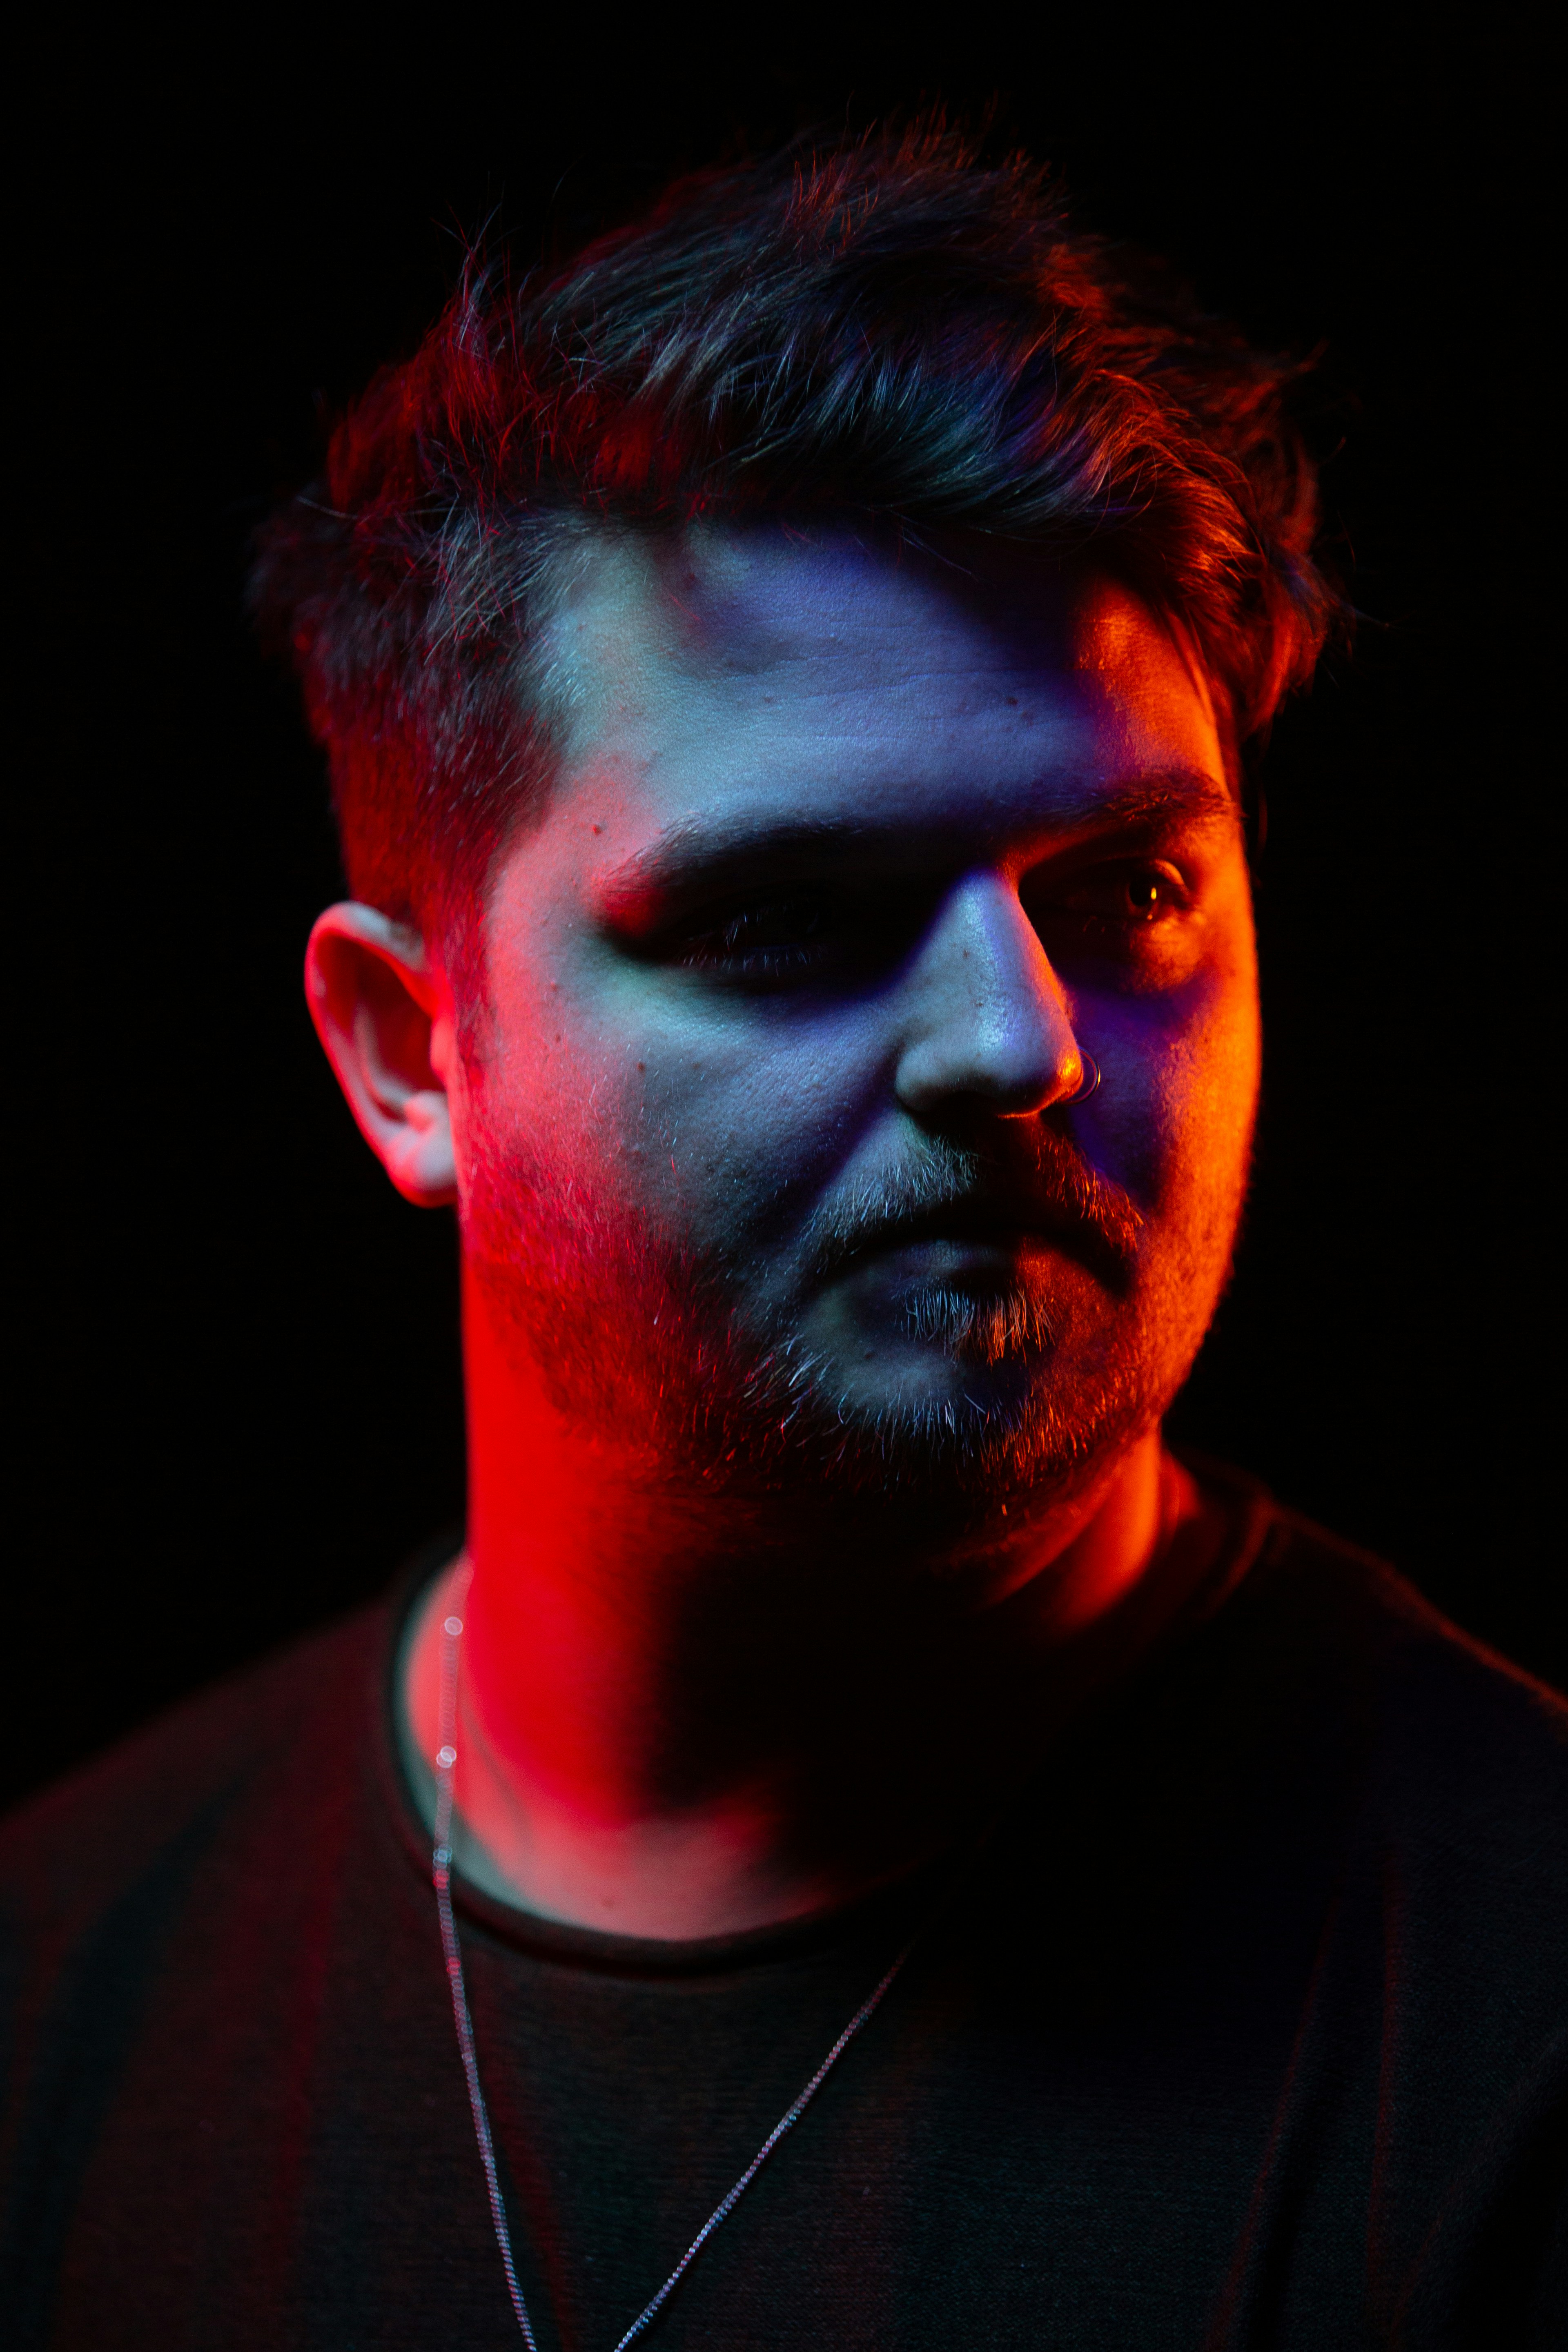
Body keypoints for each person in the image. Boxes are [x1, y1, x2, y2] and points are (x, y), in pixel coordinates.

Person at [2, 123, 1563, 2351]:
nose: (1016, 1040)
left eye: (1127, 889)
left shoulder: (1514, 2027)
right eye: (786, 916)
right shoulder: (63, 1998)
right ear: (411, 1058)